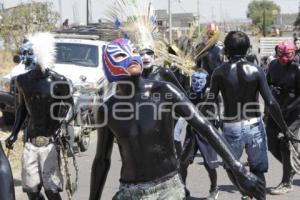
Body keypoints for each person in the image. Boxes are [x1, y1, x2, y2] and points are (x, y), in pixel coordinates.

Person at [89, 38, 266, 200]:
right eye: (121, 54)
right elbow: (101, 160)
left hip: (168, 189)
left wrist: (238, 168)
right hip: (129, 192)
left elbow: (204, 125)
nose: (132, 57)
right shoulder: (107, 109)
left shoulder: (164, 91)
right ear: (108, 64)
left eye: (134, 51)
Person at [201, 31, 294, 200]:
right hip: (254, 126)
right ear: (247, 50)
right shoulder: (256, 70)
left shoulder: (219, 72)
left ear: (226, 51)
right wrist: (285, 129)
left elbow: (210, 101)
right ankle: (259, 197)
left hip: (231, 126)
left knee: (231, 167)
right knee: (257, 170)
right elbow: (271, 103)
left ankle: (246, 193)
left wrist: (200, 120)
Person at [5, 32, 73, 200]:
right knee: (31, 189)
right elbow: (22, 108)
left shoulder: (59, 81)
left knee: (52, 190)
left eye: (29, 53)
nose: (25, 57)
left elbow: (69, 107)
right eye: (24, 53)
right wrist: (14, 133)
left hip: (51, 142)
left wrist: (62, 127)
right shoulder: (21, 81)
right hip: (31, 140)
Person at [179, 69, 220, 200]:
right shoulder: (188, 94)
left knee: (209, 164)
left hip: (206, 134)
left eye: (200, 80)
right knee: (183, 162)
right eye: (194, 80)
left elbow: (219, 113)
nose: (197, 83)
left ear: (206, 81)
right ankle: (183, 189)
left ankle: (214, 189)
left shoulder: (212, 95)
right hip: (191, 133)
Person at [266, 40, 300, 195]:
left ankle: (286, 182)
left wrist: (288, 109)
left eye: (288, 54)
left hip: (294, 113)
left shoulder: (297, 68)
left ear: (294, 53)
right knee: (272, 143)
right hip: (275, 111)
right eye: (281, 53)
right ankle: (291, 167)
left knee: (285, 143)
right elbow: (266, 86)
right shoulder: (273, 65)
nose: (284, 57)